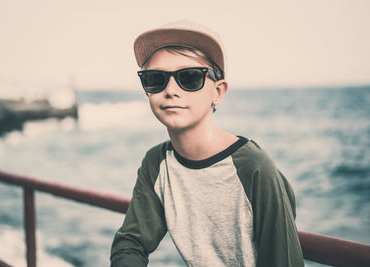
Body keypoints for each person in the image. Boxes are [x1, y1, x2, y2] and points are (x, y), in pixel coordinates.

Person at [110, 20, 304, 267]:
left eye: (189, 78)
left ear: (218, 91)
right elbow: (131, 243)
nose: (170, 90)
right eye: (155, 78)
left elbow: (283, 261)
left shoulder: (254, 167)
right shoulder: (157, 163)